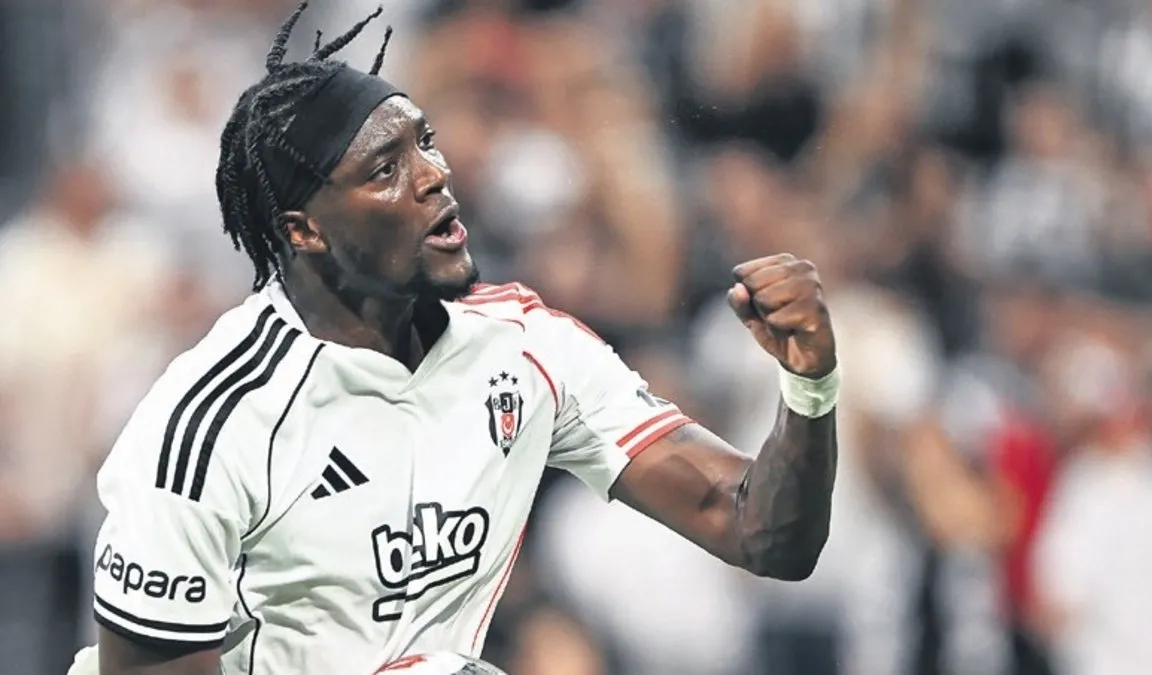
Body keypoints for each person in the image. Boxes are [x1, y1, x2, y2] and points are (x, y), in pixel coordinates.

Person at [86, 4, 841, 674]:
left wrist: (810, 386)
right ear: (304, 230)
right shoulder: (211, 427)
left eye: (426, 142)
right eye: (386, 168)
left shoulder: (526, 348)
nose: (434, 176)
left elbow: (761, 534)